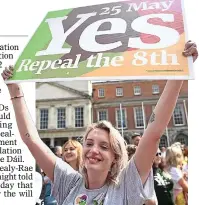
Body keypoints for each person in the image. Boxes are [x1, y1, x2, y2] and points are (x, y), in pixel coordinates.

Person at [1, 40, 197, 205]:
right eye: (88, 144)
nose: (93, 150)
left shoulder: (127, 185)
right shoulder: (68, 182)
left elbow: (154, 132)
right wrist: (15, 91)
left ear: (115, 157)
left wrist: (180, 71)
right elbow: (31, 139)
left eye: (104, 146)